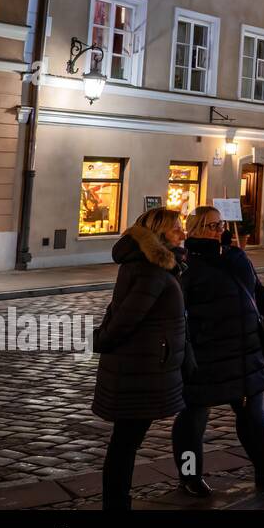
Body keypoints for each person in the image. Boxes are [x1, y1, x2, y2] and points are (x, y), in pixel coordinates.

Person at [172, 206, 264, 496]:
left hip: (246, 350)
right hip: (206, 354)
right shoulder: (186, 264)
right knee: (194, 417)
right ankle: (189, 476)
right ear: (197, 228)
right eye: (213, 226)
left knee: (254, 414)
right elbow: (178, 313)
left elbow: (258, 291)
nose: (220, 230)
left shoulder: (237, 256)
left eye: (221, 224)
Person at [93, 208, 189, 511]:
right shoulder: (152, 270)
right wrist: (102, 342)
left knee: (126, 441)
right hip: (140, 368)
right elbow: (126, 318)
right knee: (125, 443)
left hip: (141, 365)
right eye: (176, 228)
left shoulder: (155, 266)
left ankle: (118, 502)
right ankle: (117, 504)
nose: (183, 233)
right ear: (159, 233)